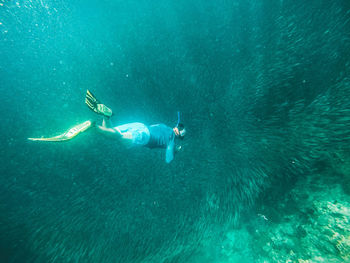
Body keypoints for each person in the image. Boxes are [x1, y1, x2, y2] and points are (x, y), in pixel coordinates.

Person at [29, 90, 186, 163]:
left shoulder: (165, 125)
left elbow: (157, 127)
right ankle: (93, 126)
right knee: (116, 138)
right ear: (178, 135)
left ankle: (106, 116)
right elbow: (168, 159)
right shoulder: (172, 139)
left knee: (112, 131)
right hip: (144, 137)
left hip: (140, 125)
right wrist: (175, 151)